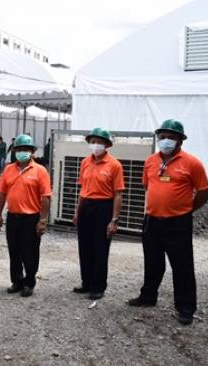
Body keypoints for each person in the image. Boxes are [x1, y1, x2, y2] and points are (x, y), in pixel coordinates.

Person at [127, 119, 208, 325]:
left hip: (178, 222)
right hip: (152, 220)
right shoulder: (150, 161)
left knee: (182, 265)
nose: (166, 141)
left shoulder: (192, 163)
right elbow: (147, 186)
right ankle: (148, 296)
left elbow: (204, 191)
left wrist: (188, 209)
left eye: (171, 137)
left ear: (180, 141)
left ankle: (186, 307)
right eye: (162, 136)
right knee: (152, 261)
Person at [0, 134, 50, 297]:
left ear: (32, 151)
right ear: (14, 151)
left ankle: (29, 282)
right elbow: (2, 194)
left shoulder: (40, 171)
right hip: (13, 217)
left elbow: (45, 197)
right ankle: (17, 281)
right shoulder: (8, 169)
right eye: (19, 149)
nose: (22, 152)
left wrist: (43, 220)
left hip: (31, 218)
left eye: (26, 149)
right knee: (14, 251)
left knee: (30, 252)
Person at [72, 128, 124, 300]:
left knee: (100, 248)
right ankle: (86, 282)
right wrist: (77, 211)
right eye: (93, 141)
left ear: (107, 145)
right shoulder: (85, 162)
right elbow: (82, 189)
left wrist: (114, 220)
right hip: (86, 206)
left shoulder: (114, 165)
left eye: (100, 142)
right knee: (84, 246)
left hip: (103, 207)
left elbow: (118, 194)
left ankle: (98, 286)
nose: (96, 145)